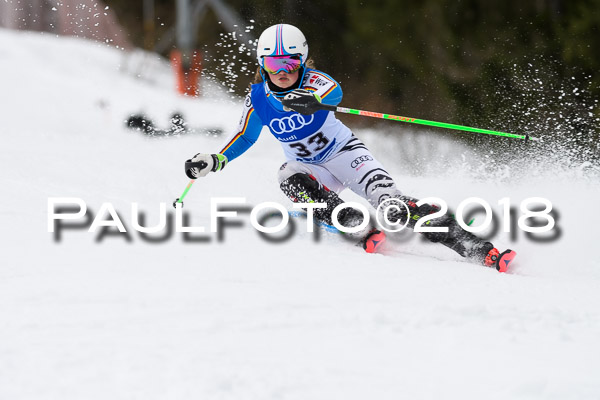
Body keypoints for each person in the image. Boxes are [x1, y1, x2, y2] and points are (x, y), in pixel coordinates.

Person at [185, 23, 516, 272]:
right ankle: (352, 222)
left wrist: (312, 101)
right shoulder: (258, 99)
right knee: (287, 174)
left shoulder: (314, 82)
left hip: (347, 156)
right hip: (311, 170)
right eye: (273, 65)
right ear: (262, 66)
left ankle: (478, 248)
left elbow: (335, 93)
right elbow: (244, 136)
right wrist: (216, 159)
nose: (282, 72)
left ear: (301, 62)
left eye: (289, 64)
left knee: (394, 206)